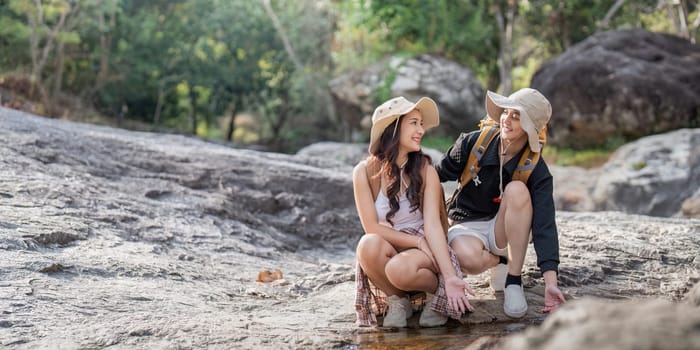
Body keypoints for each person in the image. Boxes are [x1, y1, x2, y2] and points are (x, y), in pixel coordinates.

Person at [434, 88, 566, 318]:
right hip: (468, 225)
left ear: (530, 127)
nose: (507, 119)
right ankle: (499, 261)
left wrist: (550, 282)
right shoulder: (473, 143)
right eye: (506, 112)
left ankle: (513, 279)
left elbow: (545, 224)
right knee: (467, 260)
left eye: (517, 116)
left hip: (507, 232)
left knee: (516, 189)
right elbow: (436, 175)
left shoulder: (537, 168)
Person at [353, 96, 473, 328]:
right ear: (394, 128)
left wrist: (450, 276)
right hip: (402, 243)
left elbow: (433, 226)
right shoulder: (364, 172)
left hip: (425, 250)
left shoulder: (426, 172)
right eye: (414, 123)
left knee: (399, 269)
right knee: (367, 245)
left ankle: (437, 293)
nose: (421, 130)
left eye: (421, 124)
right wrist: (416, 242)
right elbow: (372, 227)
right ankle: (398, 300)